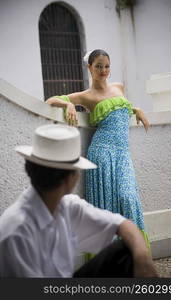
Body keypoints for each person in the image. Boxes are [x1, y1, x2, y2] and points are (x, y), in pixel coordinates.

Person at [0, 124, 158, 278]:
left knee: (126, 250)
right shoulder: (16, 232)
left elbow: (123, 225)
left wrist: (143, 260)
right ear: (71, 178)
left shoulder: (67, 207)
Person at [45, 49, 150, 247]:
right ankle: (110, 257)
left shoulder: (119, 86)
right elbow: (50, 101)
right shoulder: (87, 96)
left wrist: (136, 109)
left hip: (122, 154)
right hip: (102, 153)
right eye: (98, 66)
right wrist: (67, 105)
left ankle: (134, 251)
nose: (103, 70)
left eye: (107, 66)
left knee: (128, 198)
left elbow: (120, 109)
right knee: (107, 206)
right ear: (89, 68)